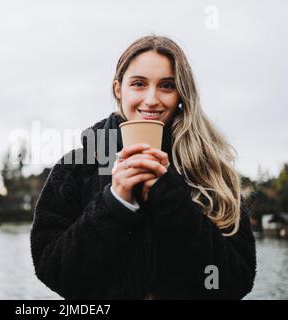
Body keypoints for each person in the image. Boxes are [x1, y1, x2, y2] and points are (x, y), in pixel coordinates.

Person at [30, 35, 256, 299]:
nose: (151, 99)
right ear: (118, 89)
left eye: (167, 86)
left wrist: (172, 201)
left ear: (181, 94)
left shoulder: (210, 171)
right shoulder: (77, 168)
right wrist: (114, 204)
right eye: (138, 84)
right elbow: (54, 271)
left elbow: (235, 282)